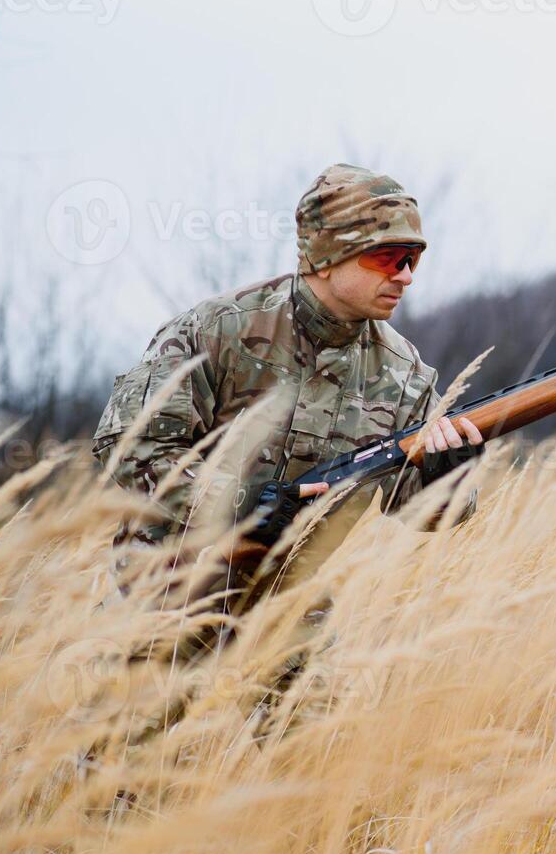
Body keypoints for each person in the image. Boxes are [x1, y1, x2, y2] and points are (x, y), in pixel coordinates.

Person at [91, 162, 484, 612]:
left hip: (285, 619)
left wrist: (448, 477)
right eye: (387, 257)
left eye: (413, 259)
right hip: (160, 610)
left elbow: (420, 510)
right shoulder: (218, 331)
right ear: (328, 254)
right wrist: (239, 502)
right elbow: (128, 447)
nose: (405, 276)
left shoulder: (406, 375)